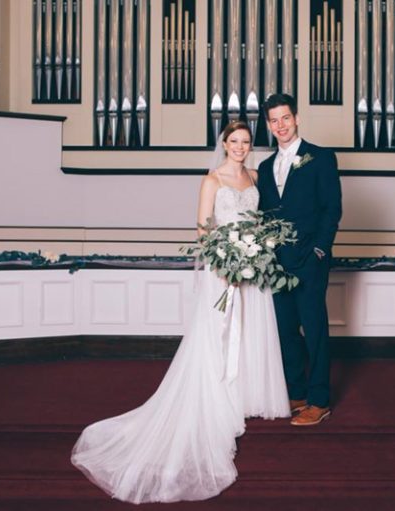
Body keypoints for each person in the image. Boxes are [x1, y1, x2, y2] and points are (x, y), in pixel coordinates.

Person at [71, 121, 289, 504]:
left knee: (248, 330)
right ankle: (214, 397)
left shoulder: (255, 177)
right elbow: (204, 229)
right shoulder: (211, 180)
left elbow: (262, 221)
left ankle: (240, 395)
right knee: (218, 332)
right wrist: (223, 263)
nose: (239, 146)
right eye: (233, 141)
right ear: (223, 143)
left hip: (252, 269)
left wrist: (257, 251)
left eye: (245, 141)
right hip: (223, 270)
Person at [257, 94, 343, 427]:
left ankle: (319, 400)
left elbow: (332, 207)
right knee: (284, 330)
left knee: (316, 329)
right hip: (275, 263)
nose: (280, 125)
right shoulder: (265, 168)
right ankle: (296, 392)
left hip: (310, 259)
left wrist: (320, 249)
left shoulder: (320, 157)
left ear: (297, 119)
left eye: (286, 118)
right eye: (274, 120)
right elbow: (264, 214)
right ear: (268, 124)